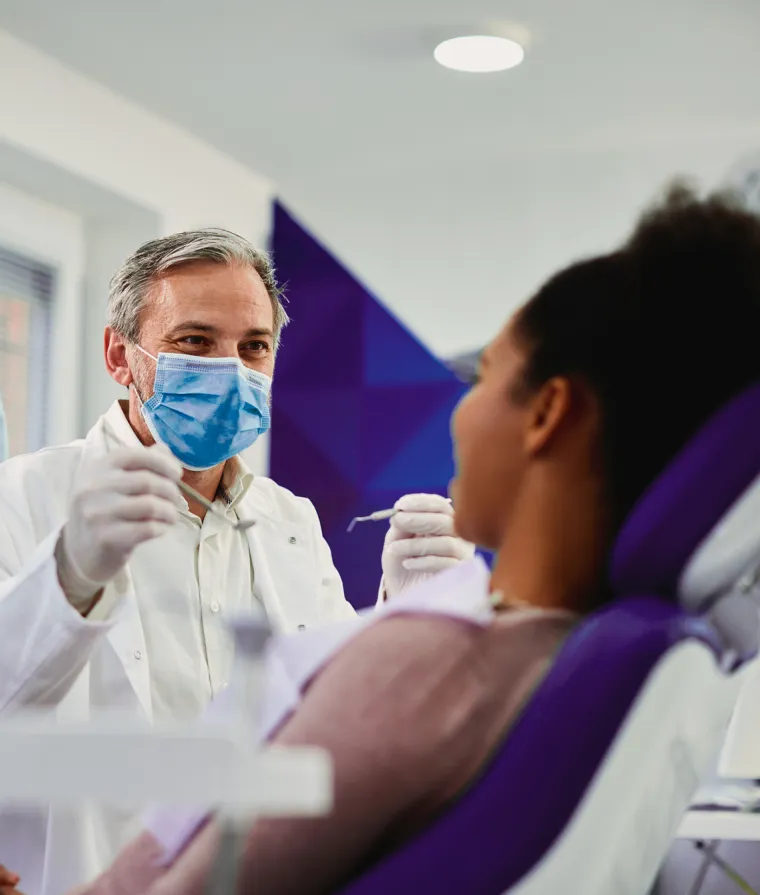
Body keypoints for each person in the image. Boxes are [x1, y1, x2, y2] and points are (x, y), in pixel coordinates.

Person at [72, 183, 760, 895]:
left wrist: (394, 632)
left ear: (549, 413)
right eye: (196, 341)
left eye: (485, 374)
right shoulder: (587, 654)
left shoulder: (428, 662)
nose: (460, 409)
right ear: (122, 357)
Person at [0, 229, 473, 895]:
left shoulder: (292, 523)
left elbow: (334, 724)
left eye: (254, 346)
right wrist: (69, 574)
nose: (231, 368)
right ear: (119, 355)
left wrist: (405, 613)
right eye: (195, 341)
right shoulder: (21, 498)